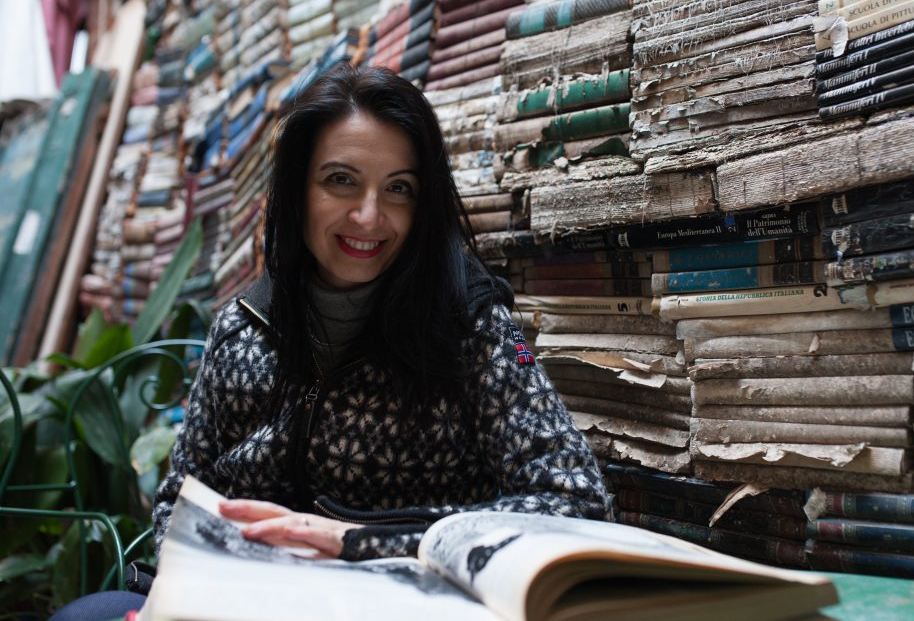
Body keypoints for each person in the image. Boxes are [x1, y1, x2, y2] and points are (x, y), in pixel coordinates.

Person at [49, 64, 610, 621]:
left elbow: (579, 500)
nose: (369, 217)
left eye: (399, 189)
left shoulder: (477, 327)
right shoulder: (242, 326)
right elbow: (179, 500)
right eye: (340, 180)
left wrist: (359, 540)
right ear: (297, 190)